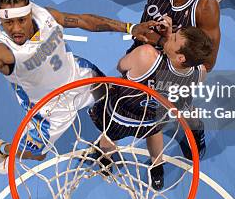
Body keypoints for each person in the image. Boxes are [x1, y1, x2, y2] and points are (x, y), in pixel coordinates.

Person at [0, 0, 155, 174]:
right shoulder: (1, 51)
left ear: (30, 14)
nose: (16, 28)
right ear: (1, 20)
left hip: (79, 76)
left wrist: (130, 28)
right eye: (8, 22)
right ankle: (1, 148)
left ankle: (104, 145)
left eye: (21, 20)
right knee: (37, 154)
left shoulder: (45, 15)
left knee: (114, 103)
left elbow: (83, 21)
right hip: (49, 107)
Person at [88, 16, 212, 190]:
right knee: (155, 134)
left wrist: (152, 46)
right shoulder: (200, 72)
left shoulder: (146, 55)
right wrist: (168, 43)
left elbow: (121, 67)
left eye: (174, 38)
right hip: (152, 119)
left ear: (181, 57)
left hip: (122, 114)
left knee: (108, 137)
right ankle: (157, 168)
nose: (171, 34)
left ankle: (105, 159)